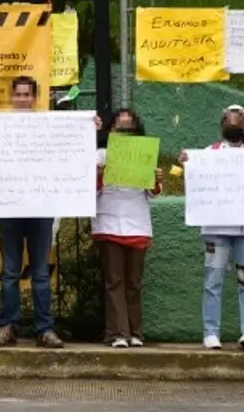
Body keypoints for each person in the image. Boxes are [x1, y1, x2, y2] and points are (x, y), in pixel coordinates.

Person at [0, 76, 64, 349]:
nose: (22, 99)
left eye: (26, 95)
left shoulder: (47, 126)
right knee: (9, 272)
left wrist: (89, 128)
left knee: (41, 272)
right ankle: (8, 326)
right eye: (17, 94)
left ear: (34, 98)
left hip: (40, 207)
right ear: (12, 97)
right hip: (9, 206)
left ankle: (44, 329)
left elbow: (67, 147)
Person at [178, 104, 244, 350]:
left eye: (239, 118)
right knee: (213, 280)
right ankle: (211, 332)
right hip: (216, 228)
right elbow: (194, 176)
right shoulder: (210, 152)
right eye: (228, 118)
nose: (233, 122)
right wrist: (186, 164)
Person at [94, 109, 162, 349]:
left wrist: (156, 178)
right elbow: (91, 192)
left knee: (133, 282)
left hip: (137, 224)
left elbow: (152, 194)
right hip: (109, 223)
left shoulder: (143, 155)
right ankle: (117, 333)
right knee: (115, 281)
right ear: (110, 130)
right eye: (118, 127)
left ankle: (135, 332)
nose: (123, 131)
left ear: (136, 130)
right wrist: (99, 175)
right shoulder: (100, 155)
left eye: (128, 127)